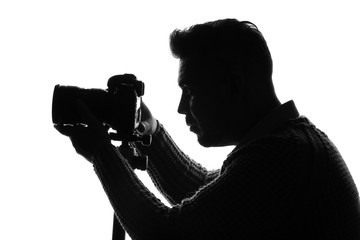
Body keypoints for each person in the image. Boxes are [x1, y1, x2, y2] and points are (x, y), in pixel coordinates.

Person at [55, 19, 360, 239]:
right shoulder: (290, 143)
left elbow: (165, 233)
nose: (181, 108)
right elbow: (204, 194)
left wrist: (101, 153)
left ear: (234, 86)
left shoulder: (284, 155)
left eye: (190, 91)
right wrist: (151, 133)